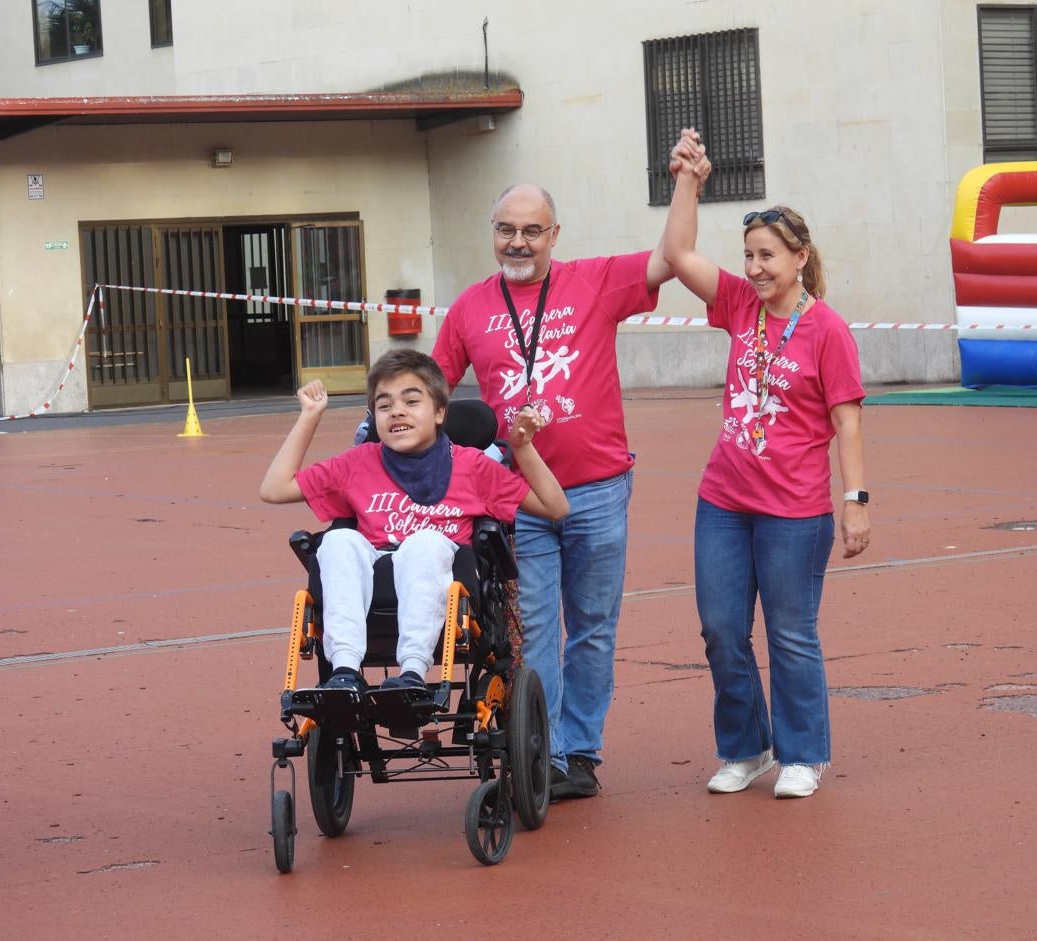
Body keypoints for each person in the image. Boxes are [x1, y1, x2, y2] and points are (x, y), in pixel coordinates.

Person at [432, 184, 672, 799]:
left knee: (592, 626)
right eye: (506, 229)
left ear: (555, 235)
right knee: (532, 630)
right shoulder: (468, 309)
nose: (517, 241)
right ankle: (541, 749)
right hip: (519, 497)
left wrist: (689, 184)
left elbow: (671, 256)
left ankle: (580, 752)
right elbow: (430, 390)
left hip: (598, 488)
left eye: (531, 231)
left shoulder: (594, 281)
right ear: (492, 232)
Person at [662, 129, 871, 798]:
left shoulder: (825, 329)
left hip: (794, 510)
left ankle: (803, 754)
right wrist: (688, 181)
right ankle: (744, 749)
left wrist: (855, 498)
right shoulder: (736, 305)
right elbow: (677, 253)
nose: (755, 267)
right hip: (723, 501)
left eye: (768, 255)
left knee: (789, 634)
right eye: (749, 254)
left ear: (799, 257)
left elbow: (846, 418)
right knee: (721, 630)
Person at [260, 349, 568, 693]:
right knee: (336, 541)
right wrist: (310, 416)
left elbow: (555, 507)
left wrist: (522, 448)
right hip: (375, 578)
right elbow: (274, 489)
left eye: (410, 401)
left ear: (439, 412)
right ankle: (344, 671)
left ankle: (412, 673)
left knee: (425, 541)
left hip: (446, 580)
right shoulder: (357, 463)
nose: (397, 412)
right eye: (385, 405)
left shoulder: (472, 466)